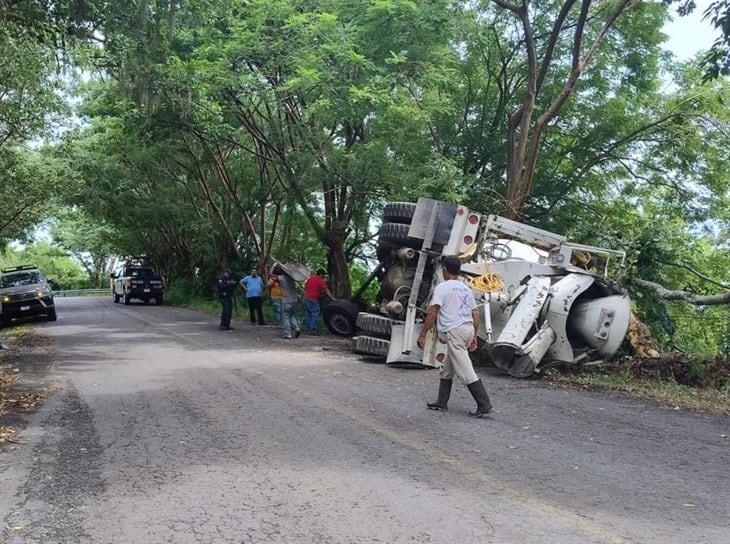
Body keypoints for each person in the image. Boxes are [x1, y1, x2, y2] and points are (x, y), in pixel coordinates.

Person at [417, 256, 492, 418]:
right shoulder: (465, 288)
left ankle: (484, 403)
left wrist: (422, 335)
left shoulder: (442, 288)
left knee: (465, 369)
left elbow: (433, 312)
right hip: (467, 329)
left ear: (444, 270)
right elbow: (475, 313)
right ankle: (441, 402)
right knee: (448, 368)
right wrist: (473, 336)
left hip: (455, 331)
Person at [272, 264, 301, 339]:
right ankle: (297, 328)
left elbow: (271, 274)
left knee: (285, 317)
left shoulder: (280, 278)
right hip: (295, 300)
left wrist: (273, 265)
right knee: (292, 315)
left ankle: (287, 334)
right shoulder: (292, 278)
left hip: (286, 300)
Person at [302, 268, 334, 334]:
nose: (324, 276)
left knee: (308, 314)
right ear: (321, 274)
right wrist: (332, 298)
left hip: (305, 298)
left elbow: (305, 288)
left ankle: (310, 329)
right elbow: (326, 290)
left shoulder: (310, 279)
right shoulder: (320, 280)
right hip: (313, 299)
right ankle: (311, 329)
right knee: (315, 313)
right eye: (324, 275)